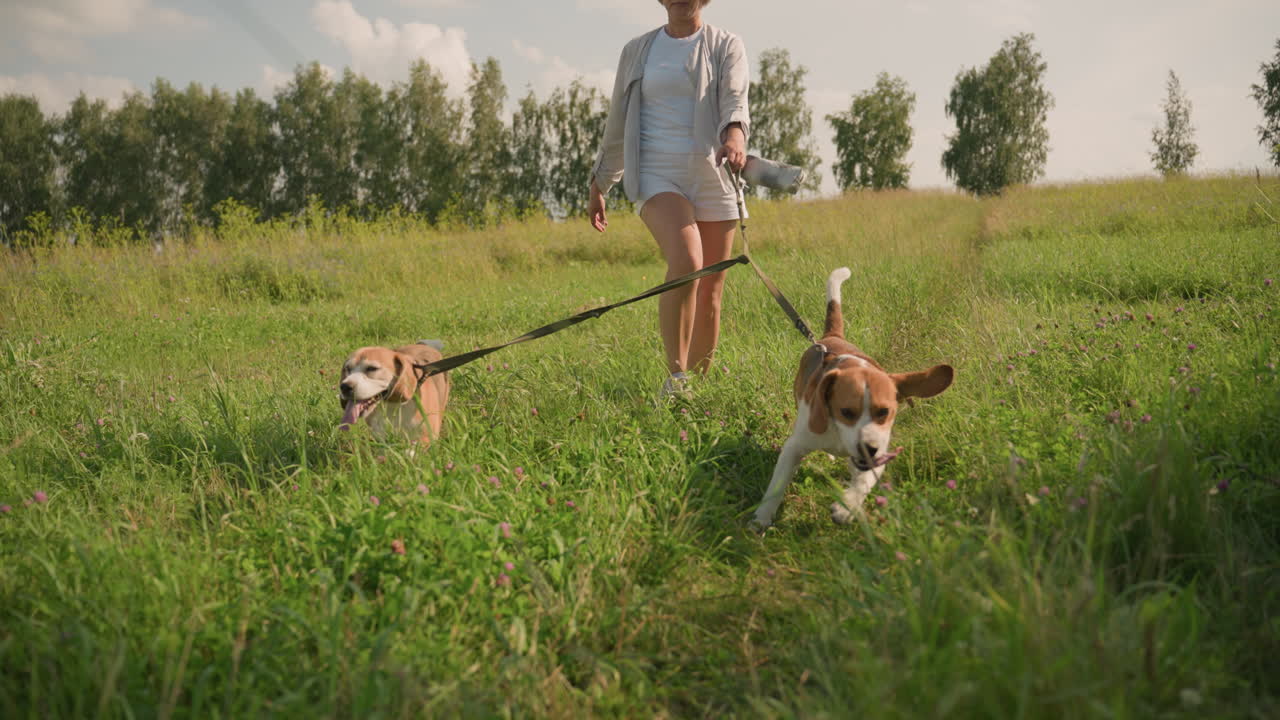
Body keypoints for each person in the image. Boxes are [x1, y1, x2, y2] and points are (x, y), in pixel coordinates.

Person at [588, 0, 748, 399]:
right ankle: (675, 380)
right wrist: (600, 182)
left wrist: (735, 135)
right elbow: (618, 120)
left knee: (711, 286)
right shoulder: (638, 50)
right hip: (656, 172)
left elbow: (734, 97)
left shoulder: (725, 44)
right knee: (687, 261)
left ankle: (696, 393)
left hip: (713, 172)